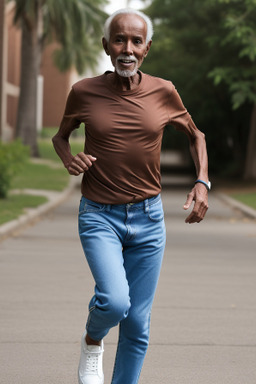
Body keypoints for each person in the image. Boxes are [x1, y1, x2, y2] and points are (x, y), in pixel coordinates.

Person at [52, 8, 210, 384]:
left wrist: (203, 180)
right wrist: (69, 160)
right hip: (99, 216)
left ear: (147, 48)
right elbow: (61, 137)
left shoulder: (163, 91)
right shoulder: (84, 91)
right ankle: (93, 341)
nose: (127, 48)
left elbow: (196, 135)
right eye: (119, 39)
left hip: (149, 219)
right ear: (106, 45)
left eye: (136, 41)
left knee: (138, 322)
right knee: (115, 301)